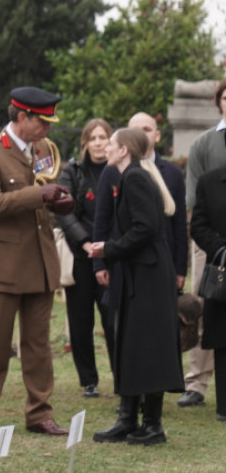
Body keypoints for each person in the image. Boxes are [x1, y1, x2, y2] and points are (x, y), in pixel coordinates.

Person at [0, 87, 74, 436]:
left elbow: (45, 191)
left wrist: (59, 203)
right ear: (22, 117)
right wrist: (38, 195)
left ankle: (40, 412)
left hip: (40, 261)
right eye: (42, 121)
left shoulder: (44, 150)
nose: (48, 129)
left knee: (38, 345)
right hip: (2, 264)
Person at [89, 128, 184, 445]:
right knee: (131, 344)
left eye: (112, 144)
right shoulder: (133, 174)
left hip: (148, 275)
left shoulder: (135, 178)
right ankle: (128, 419)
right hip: (140, 272)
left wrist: (109, 250)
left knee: (148, 346)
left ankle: (152, 425)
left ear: (125, 150)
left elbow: (146, 227)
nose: (106, 148)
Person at [55, 118, 117, 398]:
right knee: (80, 323)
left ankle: (121, 375)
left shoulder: (119, 170)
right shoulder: (73, 170)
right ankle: (88, 380)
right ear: (85, 143)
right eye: (93, 138)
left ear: (111, 141)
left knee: (113, 321)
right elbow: (63, 210)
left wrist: (106, 247)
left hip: (111, 256)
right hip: (81, 255)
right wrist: (85, 241)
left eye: (103, 137)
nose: (98, 143)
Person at [181, 79, 226, 409]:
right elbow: (195, 201)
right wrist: (215, 245)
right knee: (206, 306)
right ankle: (197, 383)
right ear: (219, 101)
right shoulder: (203, 144)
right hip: (211, 245)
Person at [126, 112, 187, 290]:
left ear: (157, 136)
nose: (141, 135)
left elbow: (179, 223)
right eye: (135, 130)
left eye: (147, 129)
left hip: (164, 259)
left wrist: (180, 268)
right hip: (127, 259)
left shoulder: (173, 173)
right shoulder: (115, 170)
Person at [189, 146, 226, 422]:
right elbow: (198, 226)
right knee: (223, 340)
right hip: (223, 269)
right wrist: (222, 250)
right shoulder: (209, 182)